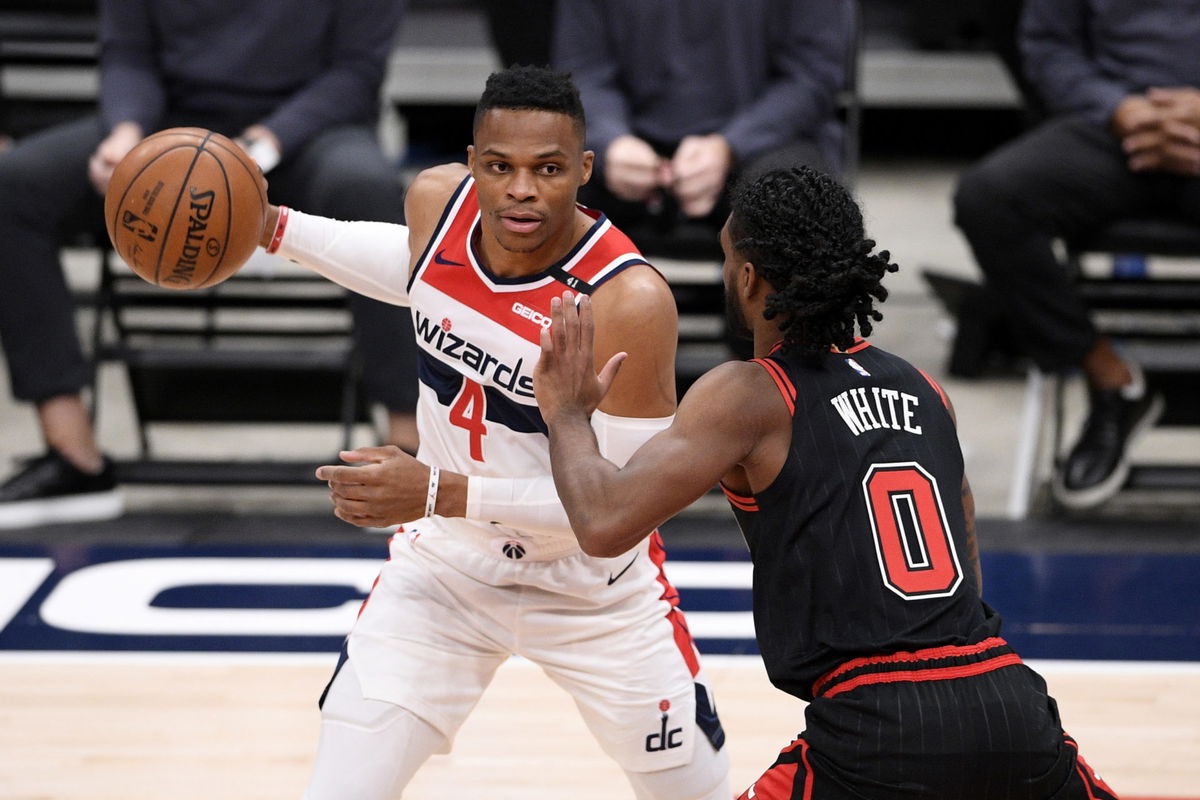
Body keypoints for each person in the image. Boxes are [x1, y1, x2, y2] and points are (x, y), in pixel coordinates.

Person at [534, 166, 1120, 800]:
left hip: (875, 726)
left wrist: (566, 413)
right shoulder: (926, 390)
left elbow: (601, 522)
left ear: (749, 276)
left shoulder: (749, 393)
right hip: (1008, 705)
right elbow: (965, 566)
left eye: (729, 258)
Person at [259, 66, 731, 800]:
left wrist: (439, 490)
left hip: (592, 593)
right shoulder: (434, 205)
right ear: (472, 162)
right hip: (446, 573)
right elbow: (416, 272)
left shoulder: (629, 300)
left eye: (547, 169)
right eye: (499, 167)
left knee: (694, 794)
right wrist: (273, 228)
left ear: (583, 170)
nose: (521, 189)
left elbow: (623, 510)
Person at [0, 0, 417, 529]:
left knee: (370, 188)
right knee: (12, 189)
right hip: (169, 131)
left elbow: (356, 73)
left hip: (308, 135)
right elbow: (129, 53)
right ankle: (74, 458)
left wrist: (263, 144)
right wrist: (127, 131)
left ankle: (410, 455)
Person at [953, 0, 1200, 509]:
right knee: (989, 200)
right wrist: (1120, 110)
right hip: (1112, 127)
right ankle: (1110, 380)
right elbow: (1048, 47)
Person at [552, 0, 850, 242]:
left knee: (794, 201)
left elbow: (813, 75)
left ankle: (767, 316)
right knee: (539, 189)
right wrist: (611, 141)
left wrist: (731, 146)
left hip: (765, 139)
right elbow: (582, 72)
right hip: (628, 141)